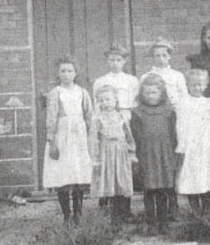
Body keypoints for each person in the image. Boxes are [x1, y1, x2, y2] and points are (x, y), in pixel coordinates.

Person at [42, 56, 94, 223]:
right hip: (62, 136)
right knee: (62, 174)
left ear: (75, 73)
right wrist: (51, 141)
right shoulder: (55, 93)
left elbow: (89, 116)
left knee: (78, 174)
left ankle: (78, 213)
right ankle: (66, 214)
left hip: (79, 137)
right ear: (58, 74)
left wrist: (90, 136)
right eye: (62, 71)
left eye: (70, 71)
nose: (66, 74)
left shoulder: (82, 92)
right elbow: (51, 117)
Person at [129, 74, 178, 232]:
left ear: (161, 93)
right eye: (147, 93)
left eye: (154, 92)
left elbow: (173, 134)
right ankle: (151, 223)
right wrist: (135, 154)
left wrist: (173, 153)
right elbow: (134, 136)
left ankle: (163, 222)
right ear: (141, 94)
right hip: (146, 155)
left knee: (163, 189)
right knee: (149, 190)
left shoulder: (169, 111)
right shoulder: (137, 113)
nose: (150, 96)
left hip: (164, 154)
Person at [175, 68, 210, 211]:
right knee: (194, 175)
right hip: (192, 145)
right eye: (193, 85)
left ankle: (208, 209)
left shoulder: (209, 103)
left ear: (205, 85)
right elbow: (181, 125)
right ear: (188, 85)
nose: (197, 88)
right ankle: (195, 209)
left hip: (208, 144)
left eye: (200, 84)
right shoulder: (183, 103)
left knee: (208, 174)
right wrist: (183, 145)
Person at [89, 84, 137, 225]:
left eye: (108, 100)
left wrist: (131, 151)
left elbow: (129, 135)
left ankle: (124, 214)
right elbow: (93, 139)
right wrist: (95, 158)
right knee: (109, 181)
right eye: (102, 100)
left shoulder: (121, 116)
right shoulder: (97, 119)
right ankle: (111, 218)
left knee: (121, 181)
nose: (105, 103)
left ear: (115, 100)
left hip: (121, 153)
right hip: (106, 154)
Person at [93, 44, 141, 116]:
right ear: (107, 61)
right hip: (106, 115)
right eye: (112, 60)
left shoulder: (132, 80)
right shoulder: (100, 82)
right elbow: (97, 105)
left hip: (126, 114)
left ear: (124, 61)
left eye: (118, 60)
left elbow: (135, 103)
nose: (115, 63)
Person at [146, 37, 188, 103]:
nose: (161, 58)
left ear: (169, 56)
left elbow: (184, 98)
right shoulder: (146, 77)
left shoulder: (178, 76)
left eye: (164, 55)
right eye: (157, 55)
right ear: (153, 57)